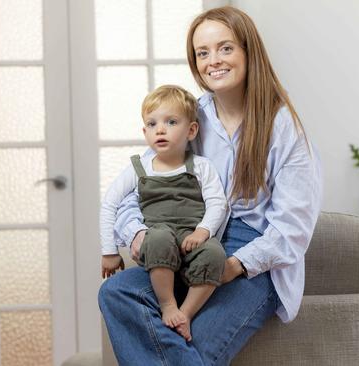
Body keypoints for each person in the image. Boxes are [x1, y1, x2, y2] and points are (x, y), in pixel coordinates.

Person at [99, 6, 322, 365]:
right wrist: (138, 235)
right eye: (202, 53)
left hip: (253, 259)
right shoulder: (189, 118)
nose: (212, 61)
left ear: (249, 52)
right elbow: (136, 189)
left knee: (195, 345)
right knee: (116, 292)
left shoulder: (283, 128)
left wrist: (232, 266)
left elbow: (292, 231)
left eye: (225, 48)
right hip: (192, 243)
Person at [99, 85, 228, 342]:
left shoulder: (201, 166)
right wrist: (109, 251)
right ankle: (168, 304)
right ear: (144, 131)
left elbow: (218, 203)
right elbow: (109, 203)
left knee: (215, 254)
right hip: (158, 237)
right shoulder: (139, 168)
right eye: (152, 123)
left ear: (191, 130)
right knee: (157, 239)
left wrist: (203, 231)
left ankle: (186, 313)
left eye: (171, 122)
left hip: (191, 236)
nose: (160, 129)